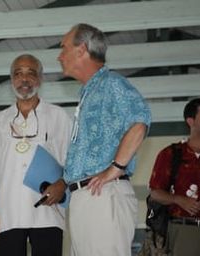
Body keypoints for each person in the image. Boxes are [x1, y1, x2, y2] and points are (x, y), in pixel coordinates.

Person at [45, 23, 151, 256]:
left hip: (102, 195)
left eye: (63, 47)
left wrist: (115, 169)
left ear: (82, 49)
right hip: (85, 197)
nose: (59, 55)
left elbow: (139, 123)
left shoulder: (111, 83)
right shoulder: (89, 91)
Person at [0, 54, 71, 256]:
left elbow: (73, 161)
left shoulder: (58, 116)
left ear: (40, 79)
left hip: (48, 214)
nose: (24, 80)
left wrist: (62, 184)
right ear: (11, 80)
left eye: (31, 73)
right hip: (6, 216)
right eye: (18, 74)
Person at [148, 98, 200, 256]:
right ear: (190, 121)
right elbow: (155, 193)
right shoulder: (171, 153)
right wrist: (179, 199)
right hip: (185, 230)